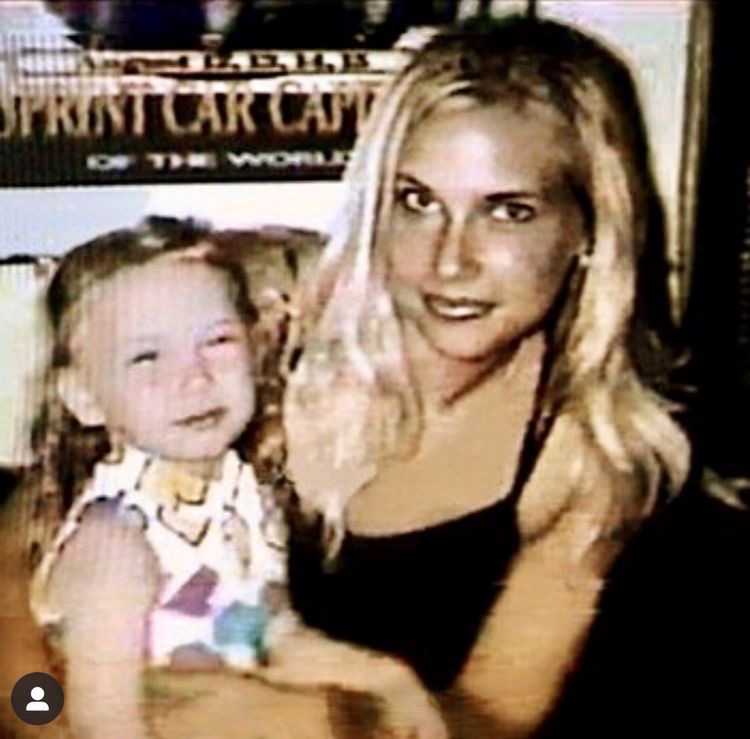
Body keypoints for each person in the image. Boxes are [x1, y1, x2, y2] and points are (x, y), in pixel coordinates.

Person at [282, 15, 691, 736]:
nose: (449, 261)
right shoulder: (264, 353)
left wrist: (268, 716)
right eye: (417, 202)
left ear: (589, 231)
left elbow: (485, 722)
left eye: (507, 212)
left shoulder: (594, 463)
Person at [4, 218, 446, 738]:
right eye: (146, 356)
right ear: (84, 398)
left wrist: (390, 681)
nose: (195, 377)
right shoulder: (115, 545)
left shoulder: (239, 501)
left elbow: (270, 641)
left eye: (217, 340)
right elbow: (104, 724)